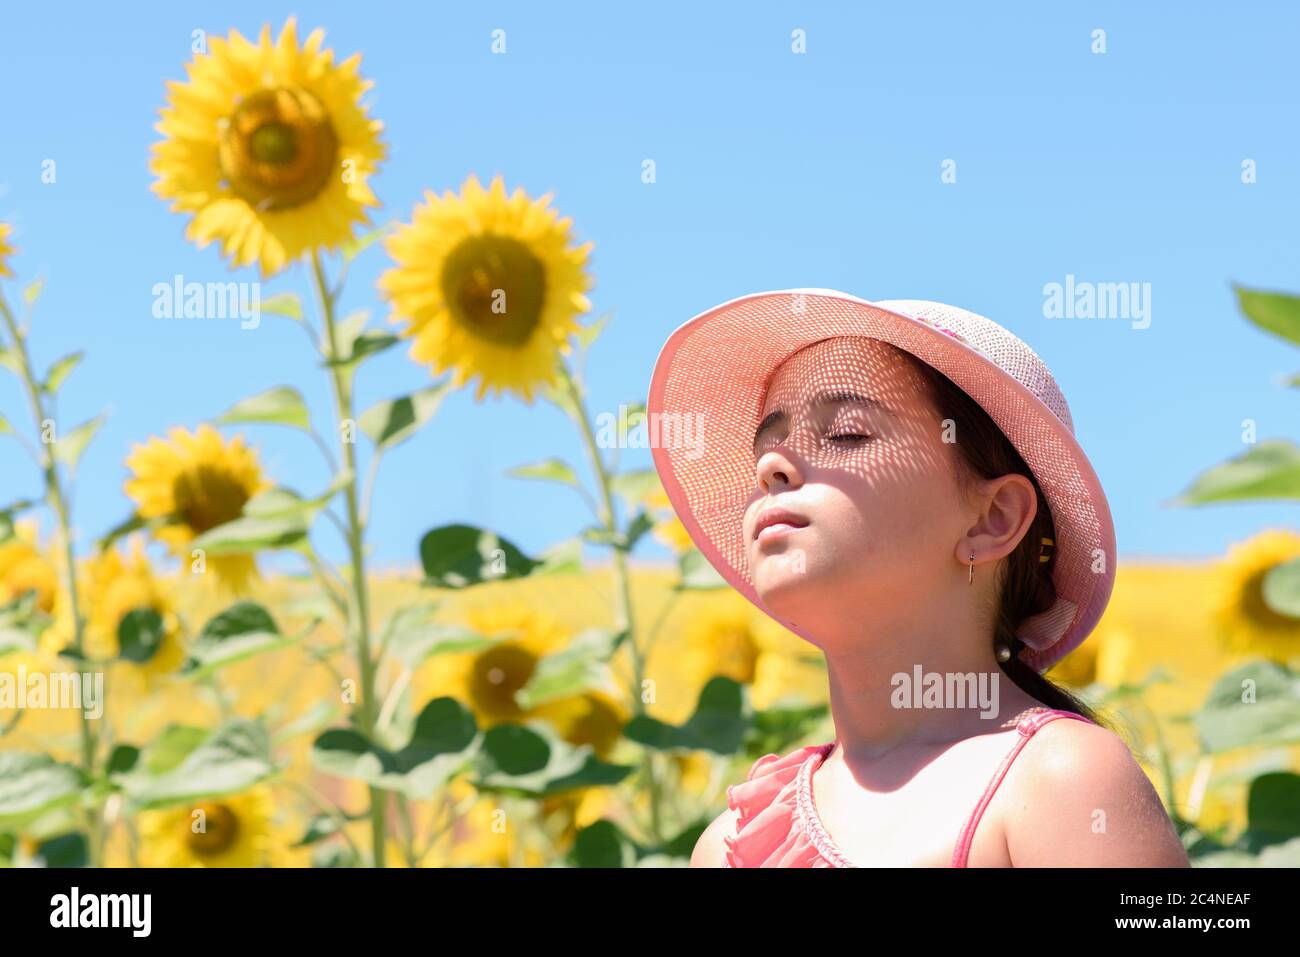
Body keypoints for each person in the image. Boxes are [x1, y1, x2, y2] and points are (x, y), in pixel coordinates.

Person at [645, 291, 1189, 867]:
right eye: (767, 448)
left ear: (993, 518)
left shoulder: (1061, 783)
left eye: (848, 435)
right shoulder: (733, 840)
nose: (771, 467)